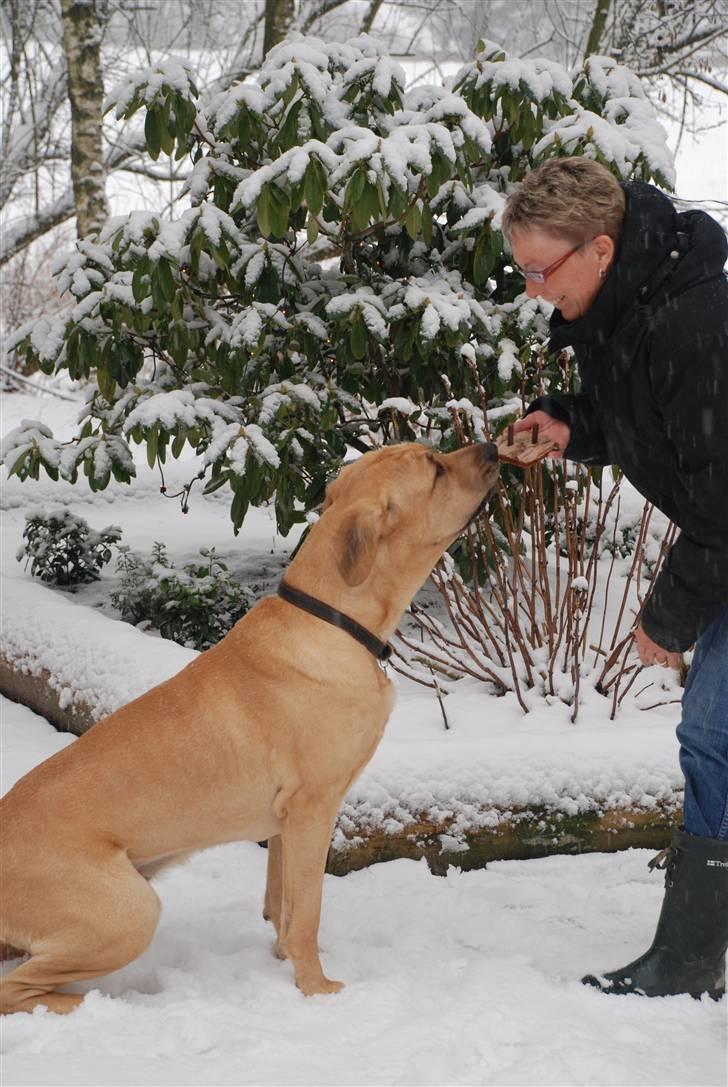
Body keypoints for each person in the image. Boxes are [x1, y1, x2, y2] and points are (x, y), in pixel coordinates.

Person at [501, 156, 728, 999]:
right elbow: (643, 416)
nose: (531, 290)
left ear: (600, 248)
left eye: (539, 269)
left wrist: (664, 620)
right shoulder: (621, 309)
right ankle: (697, 946)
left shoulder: (694, 322)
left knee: (714, 731)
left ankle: (692, 952)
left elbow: (718, 504)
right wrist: (568, 424)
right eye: (521, 268)